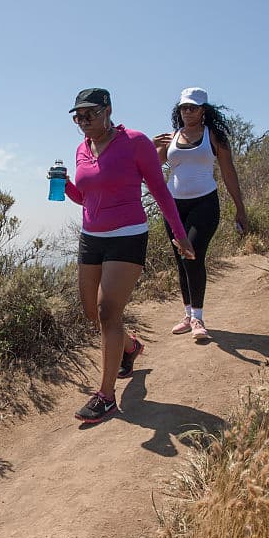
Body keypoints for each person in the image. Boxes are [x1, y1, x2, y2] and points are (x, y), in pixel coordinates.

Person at [64, 88, 195, 424]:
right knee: (91, 311)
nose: (83, 122)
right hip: (91, 237)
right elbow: (87, 197)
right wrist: (65, 185)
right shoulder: (83, 149)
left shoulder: (136, 143)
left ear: (108, 110)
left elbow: (159, 190)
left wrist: (179, 234)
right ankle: (130, 347)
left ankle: (106, 397)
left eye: (89, 114)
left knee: (109, 312)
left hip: (127, 236)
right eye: (78, 117)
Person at [153, 87, 249, 342]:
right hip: (174, 208)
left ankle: (198, 317)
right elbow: (150, 169)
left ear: (203, 111)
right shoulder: (171, 137)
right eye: (184, 107)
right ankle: (187, 314)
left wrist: (240, 208)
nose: (187, 112)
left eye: (193, 108)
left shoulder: (214, 137)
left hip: (204, 204)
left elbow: (229, 173)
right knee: (181, 261)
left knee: (192, 254)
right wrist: (152, 147)